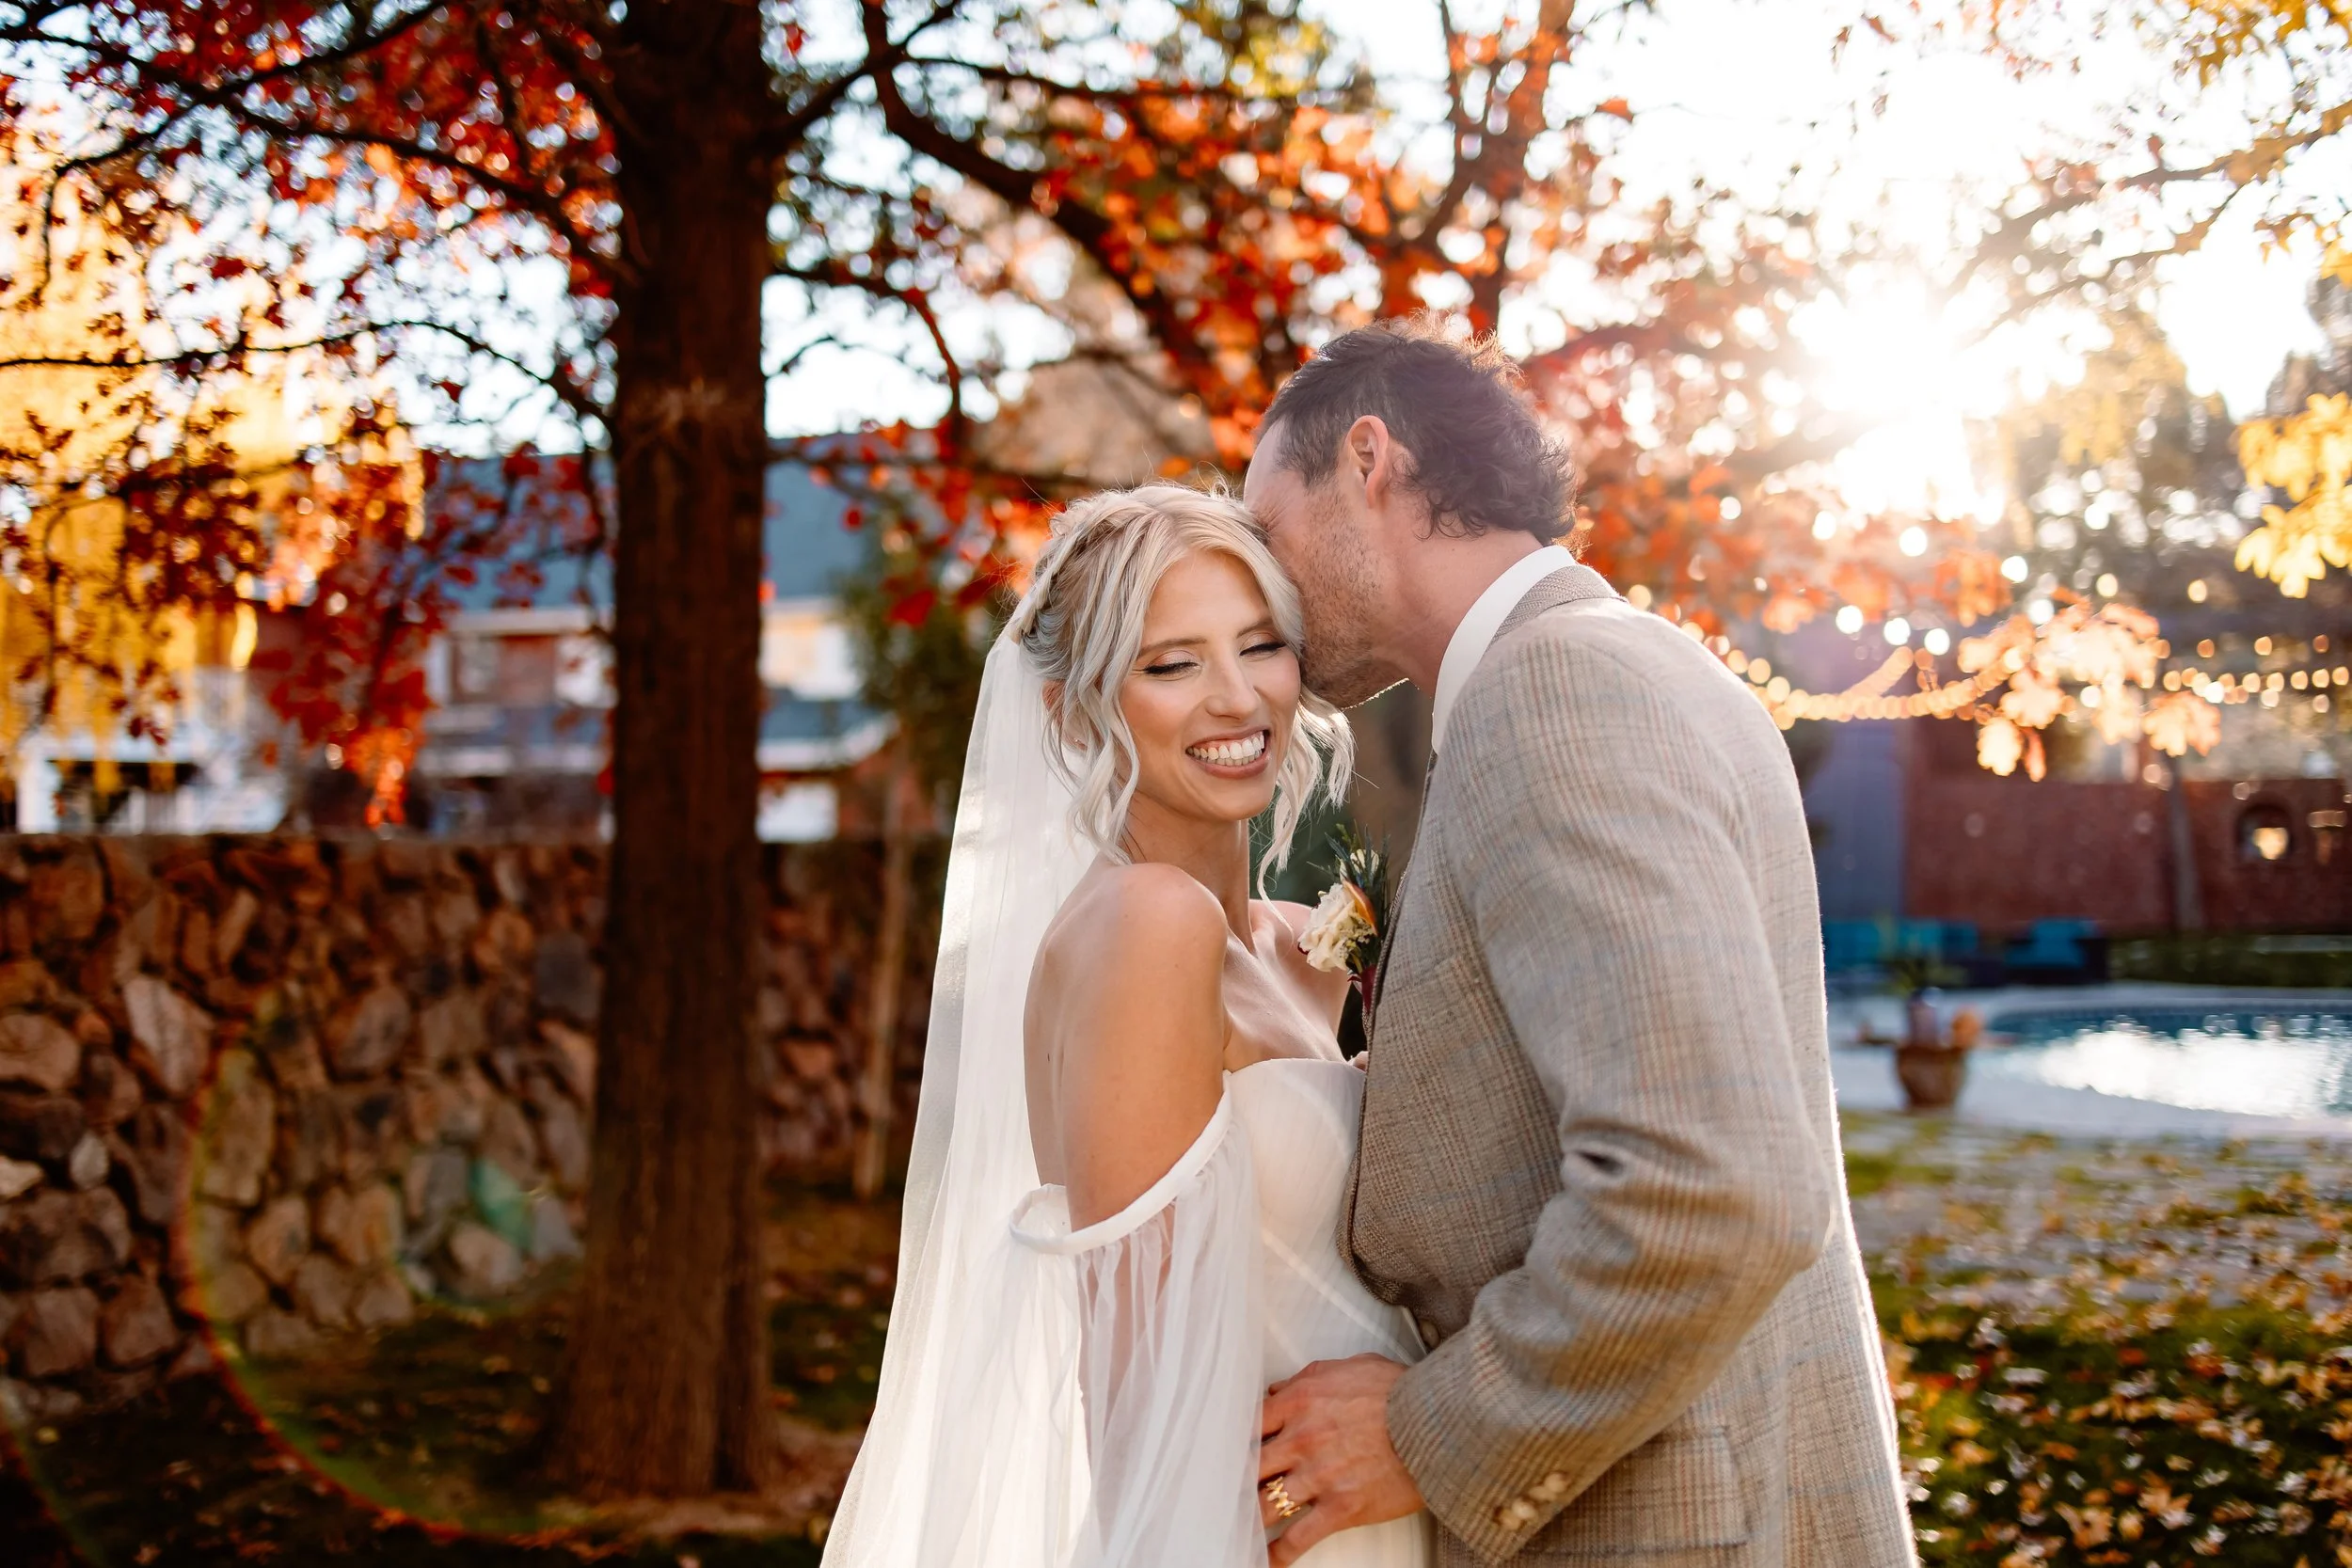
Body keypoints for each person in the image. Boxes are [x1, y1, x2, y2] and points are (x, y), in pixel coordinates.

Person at [1241, 316, 1915, 1566]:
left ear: (1369, 458)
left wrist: (1428, 1431)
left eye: (1268, 530)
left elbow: (1711, 1183)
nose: (1262, 590)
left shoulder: (1556, 691)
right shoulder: (1649, 665)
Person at [821, 485, 1434, 1567]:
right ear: (1072, 709)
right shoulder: (1145, 928)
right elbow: (1139, 1394)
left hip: (1395, 1511)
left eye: (1259, 645)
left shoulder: (1295, 943)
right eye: (1171, 663)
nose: (1236, 696)